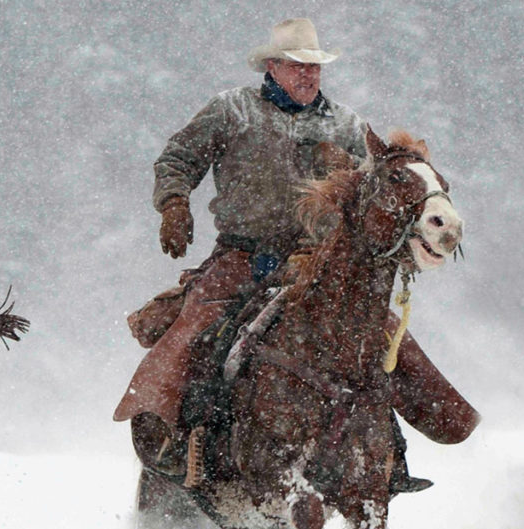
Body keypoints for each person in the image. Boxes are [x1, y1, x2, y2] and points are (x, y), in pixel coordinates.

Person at [114, 18, 479, 493]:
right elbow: (178, 158)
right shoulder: (232, 111)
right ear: (272, 66)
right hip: (240, 256)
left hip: (321, 259)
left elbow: (379, 197)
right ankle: (167, 434)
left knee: (383, 335)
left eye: (315, 68)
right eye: (296, 66)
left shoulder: (348, 126)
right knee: (194, 327)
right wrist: (174, 203)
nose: (308, 75)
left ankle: (397, 450)